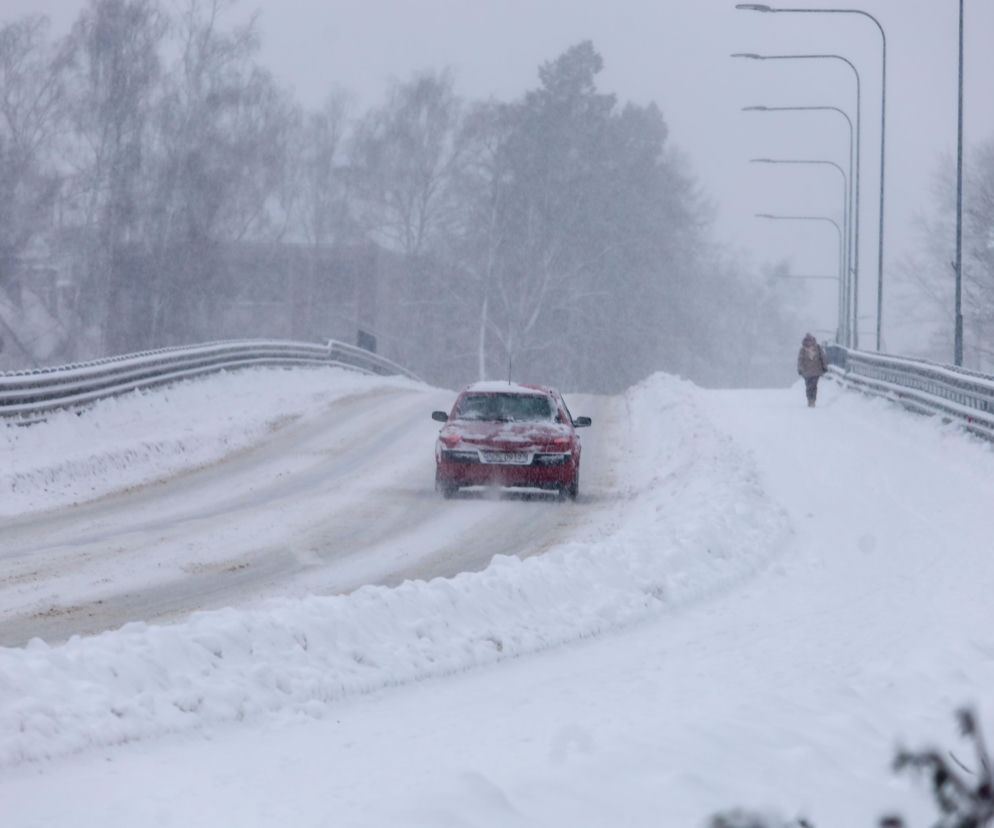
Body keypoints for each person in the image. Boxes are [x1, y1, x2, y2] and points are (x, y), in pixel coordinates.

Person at [796, 333, 828, 407]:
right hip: (806, 371)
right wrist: (800, 369)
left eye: (810, 340)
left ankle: (813, 400)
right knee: (808, 386)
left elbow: (823, 357)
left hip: (816, 371)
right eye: (807, 341)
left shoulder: (818, 348)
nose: (808, 342)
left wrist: (824, 366)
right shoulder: (803, 350)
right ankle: (809, 399)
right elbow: (800, 360)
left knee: (814, 386)